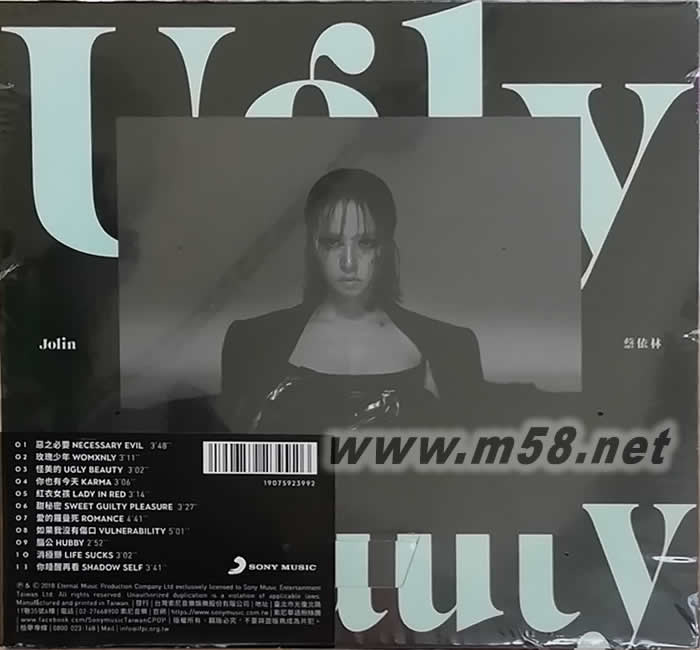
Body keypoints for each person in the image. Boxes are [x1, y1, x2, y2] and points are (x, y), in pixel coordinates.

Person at [220, 168, 485, 434]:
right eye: (333, 242)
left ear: (383, 247)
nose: (349, 262)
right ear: (314, 246)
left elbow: (472, 455)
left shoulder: (451, 347)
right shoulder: (250, 341)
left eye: (366, 242)